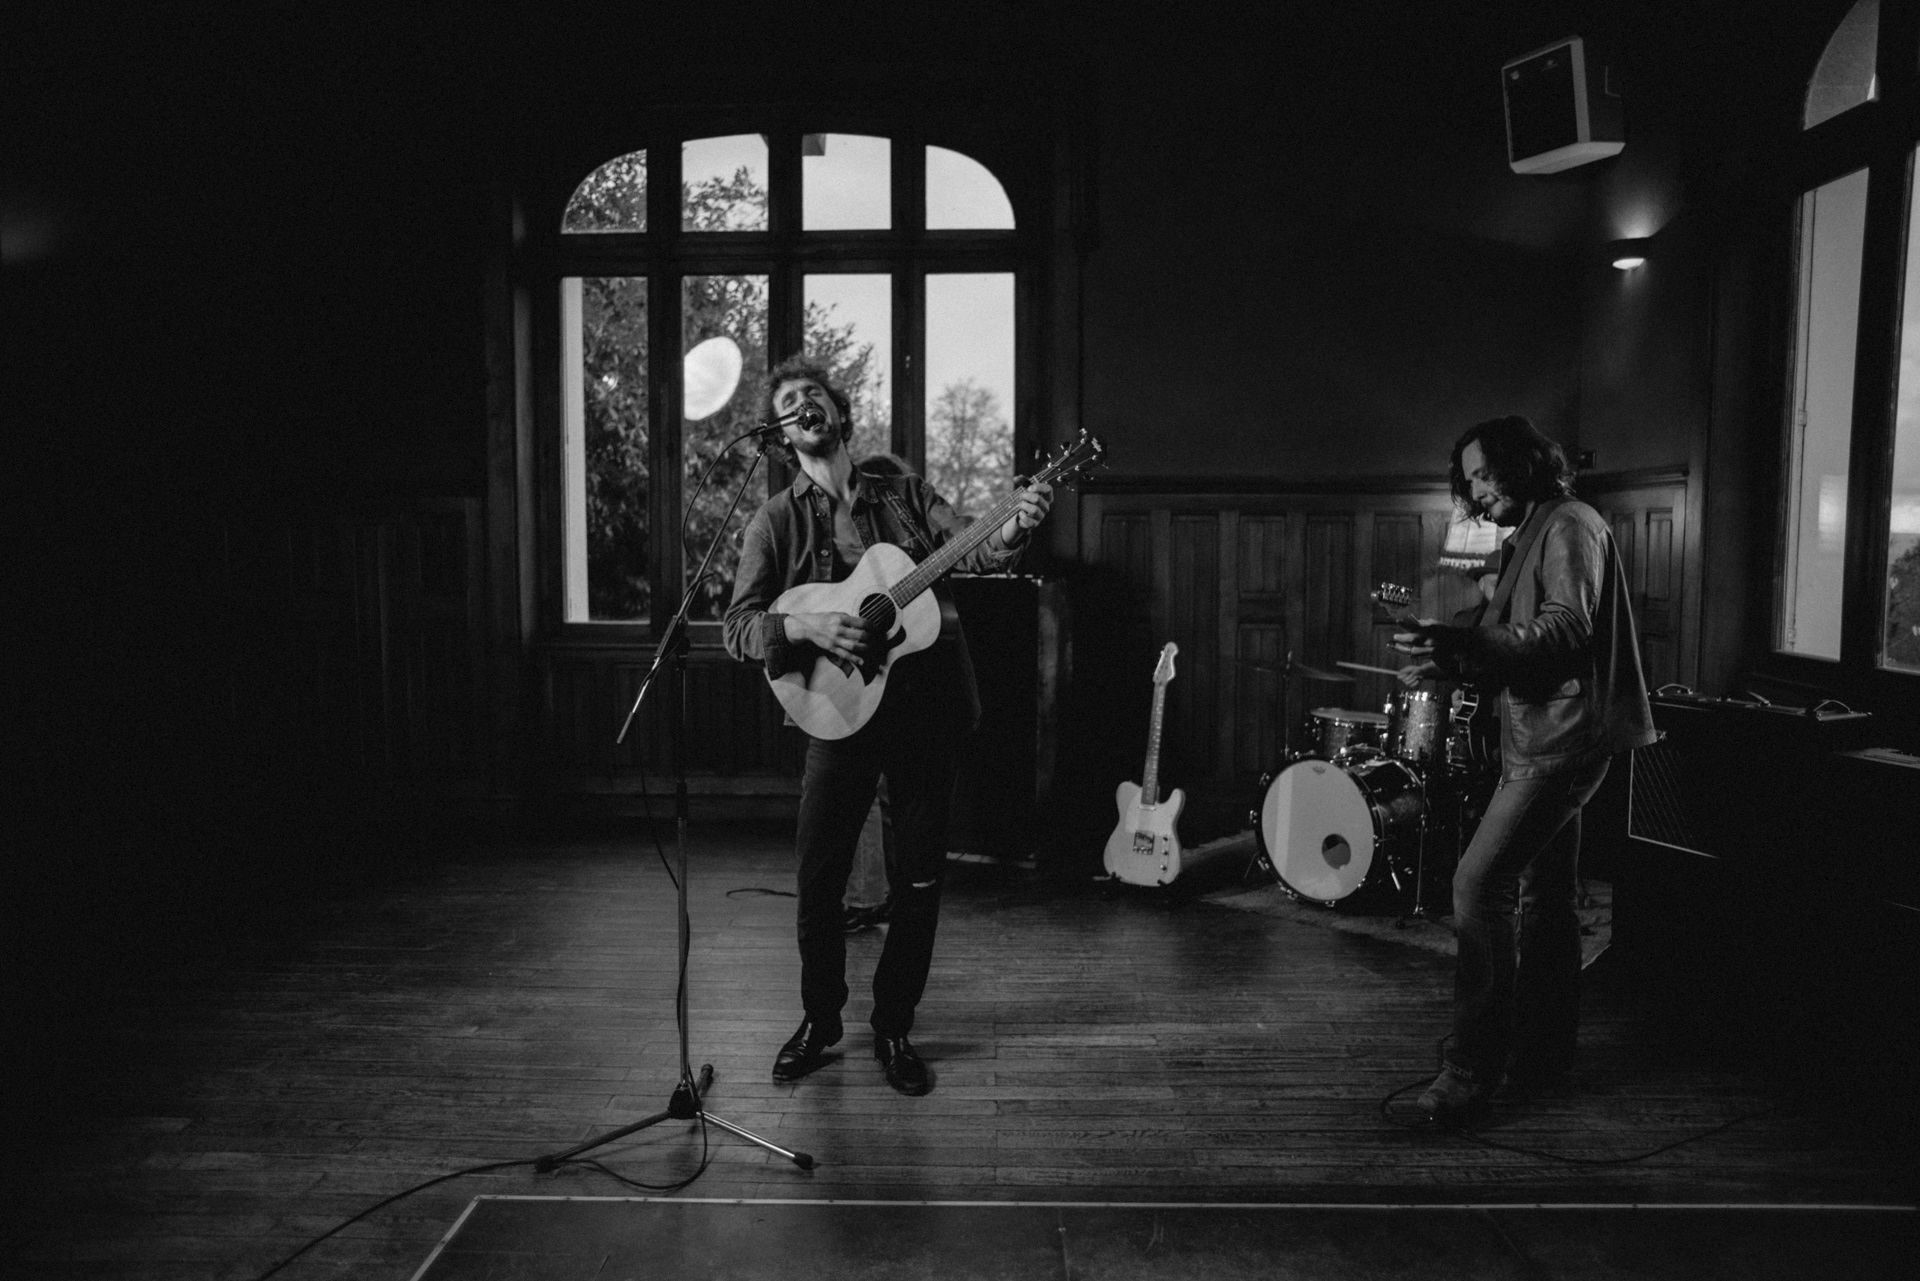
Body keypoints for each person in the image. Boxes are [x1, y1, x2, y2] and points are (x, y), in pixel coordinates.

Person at [722, 357, 1053, 1096]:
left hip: (925, 710)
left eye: (812, 393)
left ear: (837, 411)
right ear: (781, 434)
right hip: (837, 714)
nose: (803, 403)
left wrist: (1014, 524)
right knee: (818, 881)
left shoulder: (902, 494)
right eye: (788, 401)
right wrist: (804, 624)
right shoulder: (773, 521)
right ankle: (820, 1021)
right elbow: (738, 627)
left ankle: (894, 1026)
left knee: (919, 878)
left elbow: (974, 545)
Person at [1392, 415, 1655, 1124]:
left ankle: (1470, 1070)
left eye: (1484, 475)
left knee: (1478, 885)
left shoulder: (1569, 523)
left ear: (1521, 463)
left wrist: (1463, 646)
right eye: (1470, 482)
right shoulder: (1535, 530)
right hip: (1548, 736)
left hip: (1563, 742)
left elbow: (1567, 628)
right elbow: (1514, 641)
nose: (1477, 493)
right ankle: (1542, 1054)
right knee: (1546, 897)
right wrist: (1449, 653)